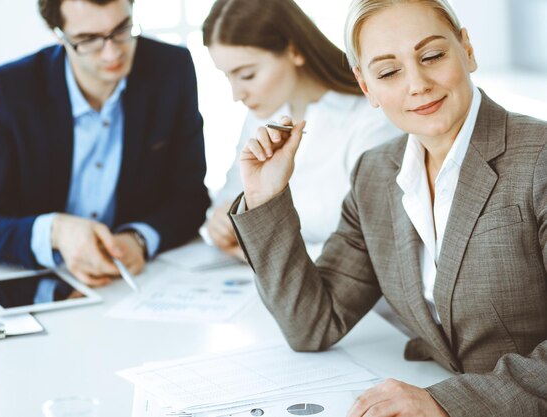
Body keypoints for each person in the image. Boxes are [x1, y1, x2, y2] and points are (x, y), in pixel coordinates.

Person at [228, 0, 547, 416]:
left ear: (467, 50)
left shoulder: (538, 158)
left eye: (432, 56)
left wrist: (446, 402)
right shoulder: (375, 174)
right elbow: (312, 324)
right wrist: (266, 197)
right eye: (389, 72)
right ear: (366, 86)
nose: (417, 84)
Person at [0, 0, 210, 287]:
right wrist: (56, 231)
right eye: (89, 40)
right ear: (59, 34)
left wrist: (138, 239)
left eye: (121, 29)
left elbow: (190, 198)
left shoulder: (171, 70)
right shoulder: (9, 90)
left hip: (133, 283)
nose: (112, 51)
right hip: (44, 284)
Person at [202, 0, 401, 260]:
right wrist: (220, 223)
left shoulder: (372, 120)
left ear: (294, 50)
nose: (236, 94)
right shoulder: (262, 115)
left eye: (247, 75)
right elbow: (231, 197)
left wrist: (267, 252)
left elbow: (375, 247)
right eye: (227, 76)